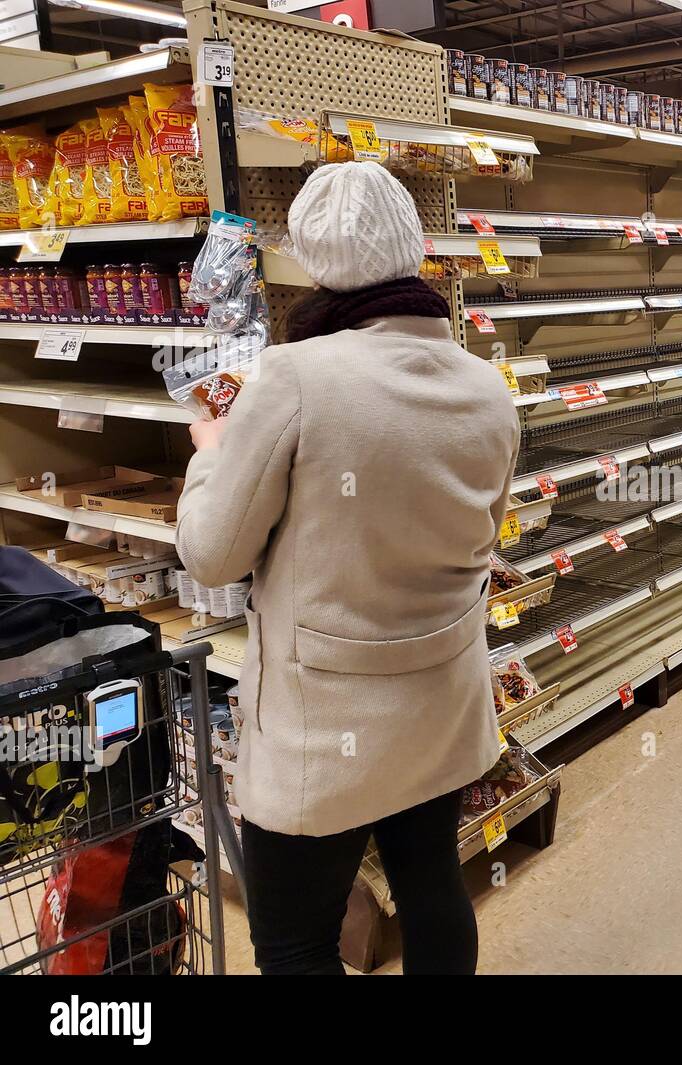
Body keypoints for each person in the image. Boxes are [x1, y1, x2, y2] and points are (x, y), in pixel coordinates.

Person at [176, 162, 520, 975]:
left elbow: (215, 554)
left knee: (294, 941)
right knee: (434, 889)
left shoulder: (294, 378)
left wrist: (209, 456)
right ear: (414, 247)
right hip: (439, 697)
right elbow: (481, 535)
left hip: (324, 723)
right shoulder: (485, 387)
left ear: (311, 258)